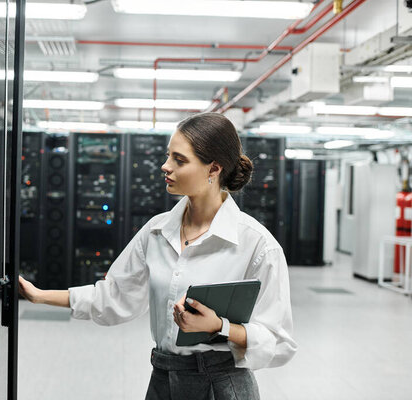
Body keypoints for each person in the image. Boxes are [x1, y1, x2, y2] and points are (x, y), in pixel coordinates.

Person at [18, 112, 297, 399]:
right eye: (168, 156)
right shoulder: (157, 231)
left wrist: (220, 326)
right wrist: (40, 295)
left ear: (213, 169)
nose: (165, 166)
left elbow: (278, 342)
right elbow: (114, 295)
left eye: (179, 160)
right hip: (163, 378)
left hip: (222, 385)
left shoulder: (257, 245)